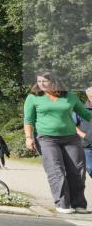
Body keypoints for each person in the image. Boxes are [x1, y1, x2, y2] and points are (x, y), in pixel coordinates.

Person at [24, 72, 91, 215]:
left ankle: (78, 204)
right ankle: (62, 204)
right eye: (39, 81)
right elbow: (28, 121)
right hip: (47, 139)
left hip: (71, 138)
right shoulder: (33, 98)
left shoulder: (69, 97)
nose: (41, 84)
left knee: (78, 171)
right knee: (56, 170)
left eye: (44, 81)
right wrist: (28, 137)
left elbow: (86, 115)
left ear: (54, 81)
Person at [74, 86, 92, 181]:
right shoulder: (81, 110)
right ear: (88, 96)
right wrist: (84, 135)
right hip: (87, 145)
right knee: (90, 168)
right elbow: (72, 125)